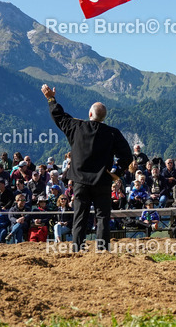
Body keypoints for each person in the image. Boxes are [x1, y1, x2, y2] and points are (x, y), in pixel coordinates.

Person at [43, 84, 133, 251]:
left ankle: (77, 249)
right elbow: (127, 155)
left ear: (90, 114)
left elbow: (59, 116)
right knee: (103, 217)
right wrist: (116, 172)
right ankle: (102, 250)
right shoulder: (112, 133)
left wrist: (51, 99)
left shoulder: (77, 127)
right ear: (104, 117)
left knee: (80, 217)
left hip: (80, 181)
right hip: (102, 181)